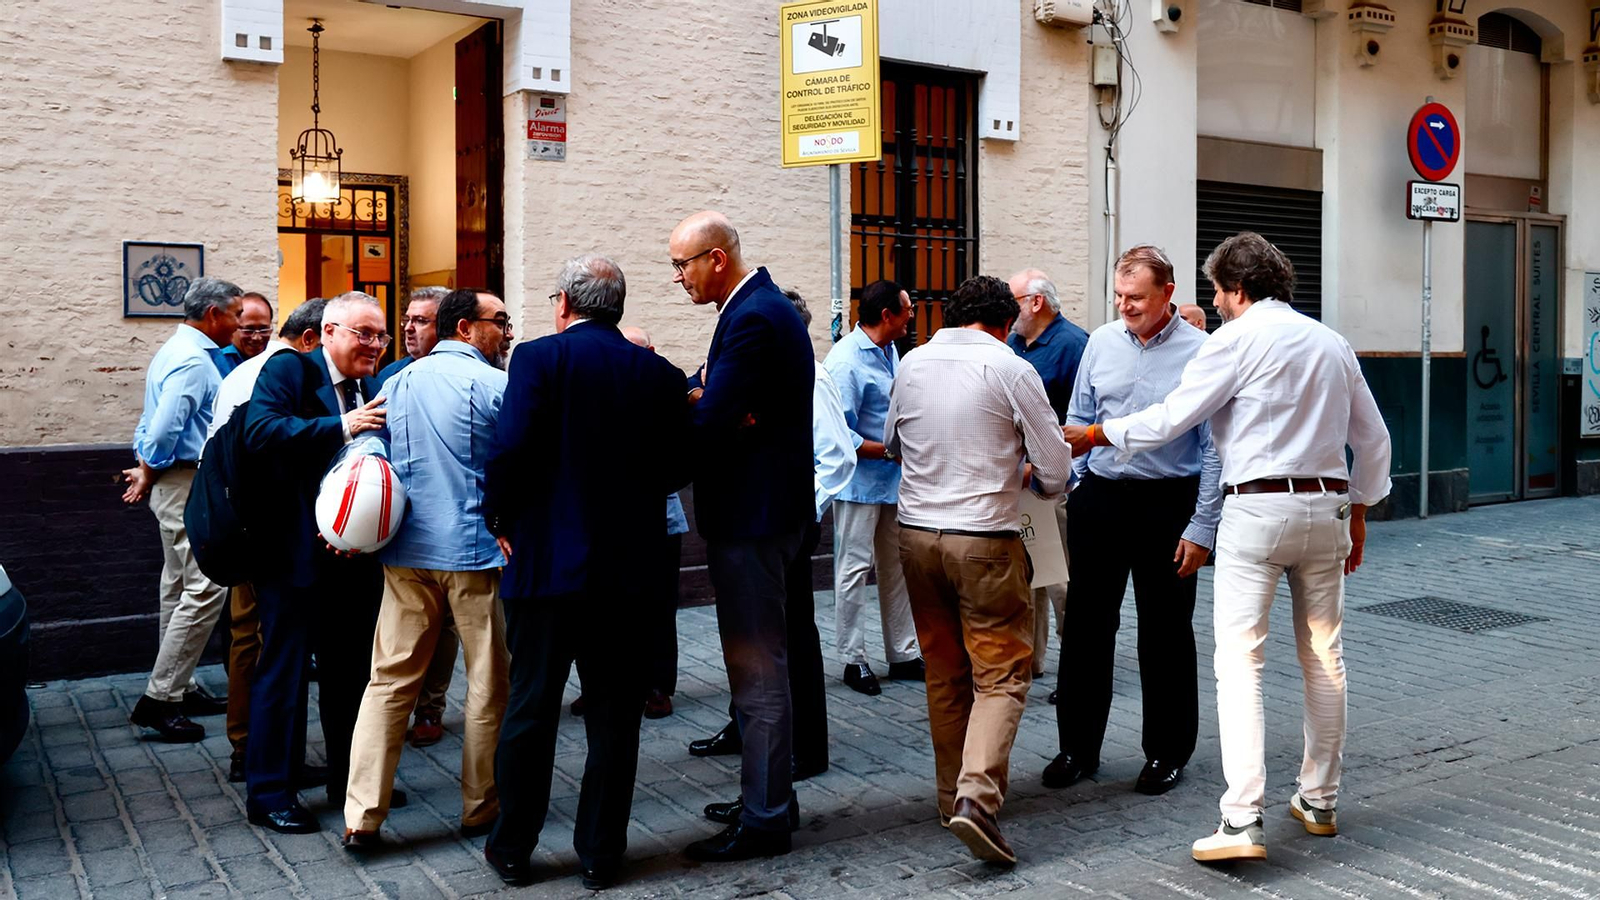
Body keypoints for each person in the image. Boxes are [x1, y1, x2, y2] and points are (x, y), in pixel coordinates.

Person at [1064, 232, 1392, 863]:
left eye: (1217, 290)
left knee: (1241, 663)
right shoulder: (1331, 342)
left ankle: (1243, 820)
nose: (1214, 303)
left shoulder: (1232, 342)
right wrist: (1361, 512)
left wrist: (1099, 432)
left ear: (1238, 289)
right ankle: (1319, 798)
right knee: (1325, 655)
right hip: (1326, 505)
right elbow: (1374, 440)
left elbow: (1171, 419)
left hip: (1256, 509)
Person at [481, 256, 690, 890]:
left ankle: (514, 846)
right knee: (614, 715)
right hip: (627, 568)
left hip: (545, 560)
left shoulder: (539, 360)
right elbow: (680, 464)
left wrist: (498, 517)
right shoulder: (659, 374)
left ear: (565, 304)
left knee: (532, 707)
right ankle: (602, 852)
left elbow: (512, 446)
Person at [886, 274, 1073, 866]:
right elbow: (1053, 464)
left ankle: (950, 801)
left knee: (943, 673)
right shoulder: (1012, 368)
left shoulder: (911, 363)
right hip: (984, 538)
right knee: (1001, 674)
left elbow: (892, 443)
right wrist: (1035, 480)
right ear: (1001, 321)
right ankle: (977, 798)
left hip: (916, 536)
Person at [1045, 246, 1222, 799]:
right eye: (1119, 297)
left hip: (1169, 501)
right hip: (1101, 499)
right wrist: (1076, 484)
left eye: (1137, 298)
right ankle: (1077, 747)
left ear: (1167, 294)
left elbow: (1214, 449)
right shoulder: (1100, 342)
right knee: (1086, 627)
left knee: (1166, 632)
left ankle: (1167, 752)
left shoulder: (1204, 352)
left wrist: (1202, 527)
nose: (1126, 306)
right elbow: (1079, 418)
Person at [342, 288, 513, 849]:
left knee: (388, 682)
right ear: (466, 328)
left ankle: (362, 814)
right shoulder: (494, 385)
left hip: (406, 553)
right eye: (499, 323)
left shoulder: (397, 382)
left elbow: (366, 452)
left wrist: (352, 522)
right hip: (472, 552)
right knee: (487, 683)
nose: (505, 333)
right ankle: (479, 806)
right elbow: (519, 463)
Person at [670, 211, 814, 863]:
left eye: (683, 264)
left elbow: (715, 415)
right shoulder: (757, 308)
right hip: (769, 511)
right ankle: (770, 796)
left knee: (757, 673)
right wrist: (708, 397)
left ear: (717, 259)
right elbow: (715, 398)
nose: (679, 277)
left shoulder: (753, 316)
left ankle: (765, 819)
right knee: (764, 668)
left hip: (752, 519)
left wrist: (711, 407)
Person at [694, 287, 855, 828]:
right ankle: (755, 742)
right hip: (770, 518)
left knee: (787, 646)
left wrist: (796, 511)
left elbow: (835, 456)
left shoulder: (814, 376)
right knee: (768, 648)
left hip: (781, 521)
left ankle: (800, 753)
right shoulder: (760, 368)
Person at [240, 291, 393, 834]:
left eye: (380, 335)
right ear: (327, 333)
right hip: (292, 554)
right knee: (284, 672)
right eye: (363, 334)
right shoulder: (290, 371)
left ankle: (348, 779)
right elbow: (261, 433)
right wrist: (340, 426)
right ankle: (271, 793)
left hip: (354, 558)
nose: (375, 344)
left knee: (351, 670)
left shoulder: (373, 384)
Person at [208, 297, 327, 782]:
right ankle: (250, 751)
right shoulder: (275, 373)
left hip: (248, 523)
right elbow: (255, 446)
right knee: (256, 640)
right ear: (311, 339)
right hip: (256, 528)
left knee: (255, 639)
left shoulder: (255, 371)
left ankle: (262, 752)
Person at [121, 278, 243, 742]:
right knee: (206, 585)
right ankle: (161, 697)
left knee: (176, 585)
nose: (237, 322)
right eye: (234, 314)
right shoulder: (193, 360)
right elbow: (166, 426)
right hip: (184, 482)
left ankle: (182, 687)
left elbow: (150, 421)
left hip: (176, 481)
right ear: (213, 314)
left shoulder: (175, 349)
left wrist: (145, 466)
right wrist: (148, 469)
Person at [822, 278, 923, 696]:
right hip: (858, 483)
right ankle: (852, 657)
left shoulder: (890, 349)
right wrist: (889, 451)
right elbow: (837, 432)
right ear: (887, 316)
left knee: (895, 567)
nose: (912, 315)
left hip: (892, 480)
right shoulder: (845, 362)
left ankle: (903, 653)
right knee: (852, 569)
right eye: (907, 309)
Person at [377, 286, 457, 749]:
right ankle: (395, 708)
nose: (409, 328)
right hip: (395, 522)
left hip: (450, 526)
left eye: (421, 320)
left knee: (444, 625)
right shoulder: (389, 376)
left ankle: (431, 708)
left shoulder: (476, 373)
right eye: (407, 319)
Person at [1005, 269, 1088, 687]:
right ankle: (1031, 662)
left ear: (1035, 302)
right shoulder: (1014, 342)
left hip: (1057, 479)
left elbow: (1085, 416)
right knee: (1027, 576)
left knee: (1060, 578)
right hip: (1019, 477)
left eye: (1013, 298)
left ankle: (1075, 670)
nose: (1008, 307)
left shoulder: (1074, 345)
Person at [623, 324, 687, 721]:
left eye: (637, 351)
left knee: (659, 608)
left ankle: (659, 686)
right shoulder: (610, 387)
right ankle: (617, 683)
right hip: (617, 522)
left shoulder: (667, 386)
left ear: (652, 350)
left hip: (662, 518)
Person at [214, 292, 275, 376]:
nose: (257, 337)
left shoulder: (274, 360)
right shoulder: (218, 360)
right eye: (249, 330)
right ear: (234, 326)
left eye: (263, 330)